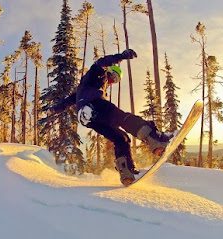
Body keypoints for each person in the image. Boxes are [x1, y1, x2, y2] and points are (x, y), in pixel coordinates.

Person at [52, 49, 174, 185]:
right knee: (124, 118)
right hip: (94, 105)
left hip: (87, 118)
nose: (111, 81)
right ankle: (155, 140)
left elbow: (71, 99)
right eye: (113, 77)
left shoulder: (85, 86)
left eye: (115, 81)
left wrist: (56, 108)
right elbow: (100, 63)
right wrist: (120, 57)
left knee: (121, 138)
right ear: (110, 71)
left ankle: (127, 173)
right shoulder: (97, 74)